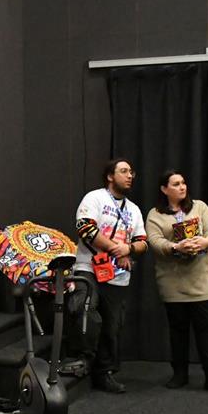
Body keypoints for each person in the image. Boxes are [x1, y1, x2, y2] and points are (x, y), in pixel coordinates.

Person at [145, 170, 208, 394]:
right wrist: (176, 247)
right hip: (172, 280)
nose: (182, 187)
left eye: (183, 183)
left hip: (201, 278)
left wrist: (203, 242)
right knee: (178, 330)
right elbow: (154, 241)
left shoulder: (199, 207)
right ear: (164, 189)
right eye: (176, 184)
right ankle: (180, 374)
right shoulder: (155, 214)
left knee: (207, 329)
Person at [73, 158, 147, 393]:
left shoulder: (134, 209)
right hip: (88, 267)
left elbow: (142, 242)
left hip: (118, 275)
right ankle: (83, 358)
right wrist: (117, 249)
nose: (130, 176)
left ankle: (104, 373)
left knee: (112, 326)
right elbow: (85, 228)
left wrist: (129, 249)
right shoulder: (95, 198)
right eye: (124, 171)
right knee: (86, 308)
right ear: (110, 176)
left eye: (131, 172)